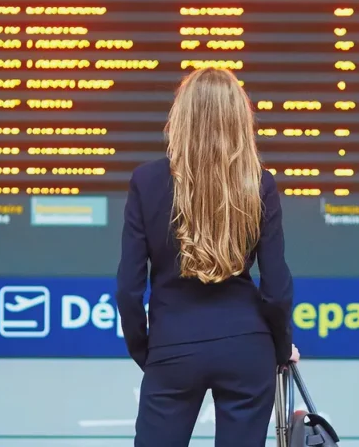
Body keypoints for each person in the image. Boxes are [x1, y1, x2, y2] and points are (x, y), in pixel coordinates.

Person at [116, 67, 298, 447]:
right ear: (239, 119)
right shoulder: (259, 183)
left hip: (173, 346)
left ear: (179, 116)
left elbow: (128, 290)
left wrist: (148, 352)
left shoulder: (146, 182)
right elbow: (277, 288)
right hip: (247, 348)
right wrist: (281, 349)